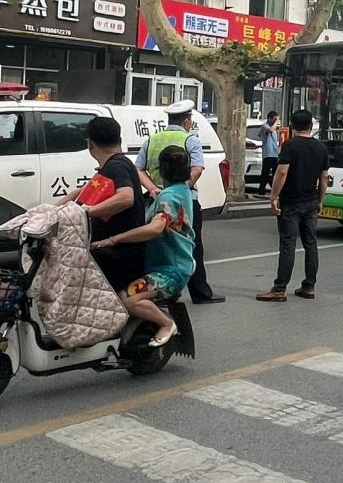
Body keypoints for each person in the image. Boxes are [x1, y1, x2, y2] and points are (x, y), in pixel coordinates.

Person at [92, 145, 195, 347]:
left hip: (170, 270)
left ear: (161, 170)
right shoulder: (182, 190)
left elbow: (155, 229)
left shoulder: (169, 197)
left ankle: (166, 323)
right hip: (164, 263)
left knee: (129, 298)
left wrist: (114, 239)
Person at [136, 99, 225, 305]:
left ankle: (159, 290)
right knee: (191, 244)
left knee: (160, 243)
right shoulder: (190, 140)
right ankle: (200, 292)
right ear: (187, 121)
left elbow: (138, 168)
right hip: (186, 202)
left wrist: (152, 188)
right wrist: (182, 187)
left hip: (157, 200)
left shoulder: (152, 140)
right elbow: (198, 168)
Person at [58, 117, 146, 291]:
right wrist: (52, 212)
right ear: (119, 140)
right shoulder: (117, 165)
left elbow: (126, 197)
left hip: (119, 255)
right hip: (118, 252)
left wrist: (86, 212)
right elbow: (81, 192)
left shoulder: (116, 167)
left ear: (90, 144)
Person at [257, 108, 329, 302]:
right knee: (311, 243)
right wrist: (320, 200)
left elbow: (281, 173)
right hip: (311, 201)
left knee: (288, 244)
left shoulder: (290, 146)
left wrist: (273, 196)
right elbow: (323, 178)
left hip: (291, 202)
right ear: (311, 125)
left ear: (292, 125)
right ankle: (309, 286)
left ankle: (280, 289)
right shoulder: (321, 148)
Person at [258, 110, 281, 196]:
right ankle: (261, 190)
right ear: (269, 119)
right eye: (274, 119)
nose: (276, 121)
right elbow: (270, 131)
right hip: (268, 153)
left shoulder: (275, 128)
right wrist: (276, 122)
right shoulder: (265, 126)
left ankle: (275, 190)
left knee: (275, 173)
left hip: (275, 153)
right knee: (265, 172)